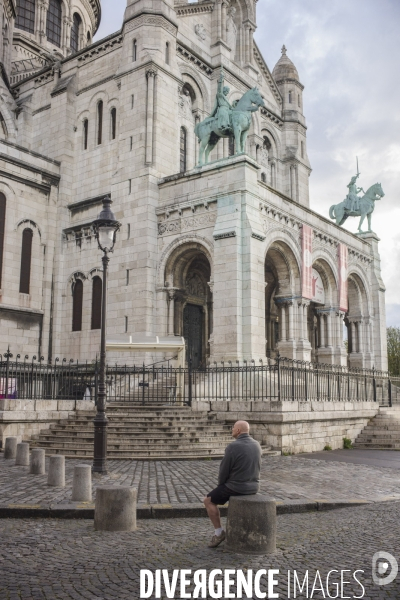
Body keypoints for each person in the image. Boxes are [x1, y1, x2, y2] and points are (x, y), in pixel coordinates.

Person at [203, 420, 262, 548]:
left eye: (233, 428)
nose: (232, 430)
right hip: (254, 486)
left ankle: (219, 533)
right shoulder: (257, 444)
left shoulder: (233, 447)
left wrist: (221, 485)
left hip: (236, 487)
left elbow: (224, 470)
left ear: (238, 431)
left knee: (208, 501)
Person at [210, 69, 232, 134]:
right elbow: (219, 88)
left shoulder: (226, 98)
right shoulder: (220, 95)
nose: (227, 93)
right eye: (227, 91)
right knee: (224, 113)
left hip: (227, 109)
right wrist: (221, 79)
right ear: (224, 90)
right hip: (222, 109)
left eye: (228, 92)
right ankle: (223, 126)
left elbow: (230, 106)